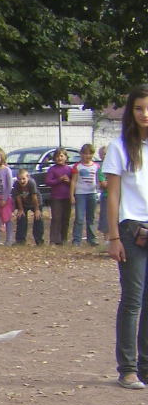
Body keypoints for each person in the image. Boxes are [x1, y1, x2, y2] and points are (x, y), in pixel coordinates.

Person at [104, 86, 148, 388]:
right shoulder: (119, 147)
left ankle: (145, 366)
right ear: (130, 112)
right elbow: (113, 195)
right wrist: (114, 237)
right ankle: (128, 368)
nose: (145, 114)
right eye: (138, 108)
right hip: (133, 230)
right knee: (132, 300)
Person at [72, 142, 101, 246]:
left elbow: (98, 180)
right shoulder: (77, 166)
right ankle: (76, 240)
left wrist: (99, 188)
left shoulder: (96, 166)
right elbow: (73, 181)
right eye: (85, 153)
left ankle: (92, 239)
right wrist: (72, 195)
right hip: (80, 194)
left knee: (91, 217)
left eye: (89, 153)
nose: (87, 156)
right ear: (81, 154)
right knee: (79, 217)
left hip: (92, 193)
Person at [46, 148, 76, 245]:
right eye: (57, 156)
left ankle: (64, 239)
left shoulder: (69, 169)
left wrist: (69, 182)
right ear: (54, 158)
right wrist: (59, 179)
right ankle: (54, 239)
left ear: (66, 157)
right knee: (56, 218)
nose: (59, 158)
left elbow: (74, 183)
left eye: (61, 156)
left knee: (65, 218)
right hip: (56, 198)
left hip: (67, 197)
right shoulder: (52, 169)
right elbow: (48, 182)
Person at [12, 168, 45, 245]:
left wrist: (37, 209)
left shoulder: (31, 183)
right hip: (23, 203)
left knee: (38, 218)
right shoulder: (16, 184)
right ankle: (20, 240)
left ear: (28, 177)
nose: (22, 181)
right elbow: (18, 197)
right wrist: (20, 209)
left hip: (36, 202)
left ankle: (39, 240)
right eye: (20, 179)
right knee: (21, 218)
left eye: (24, 179)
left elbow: (34, 196)